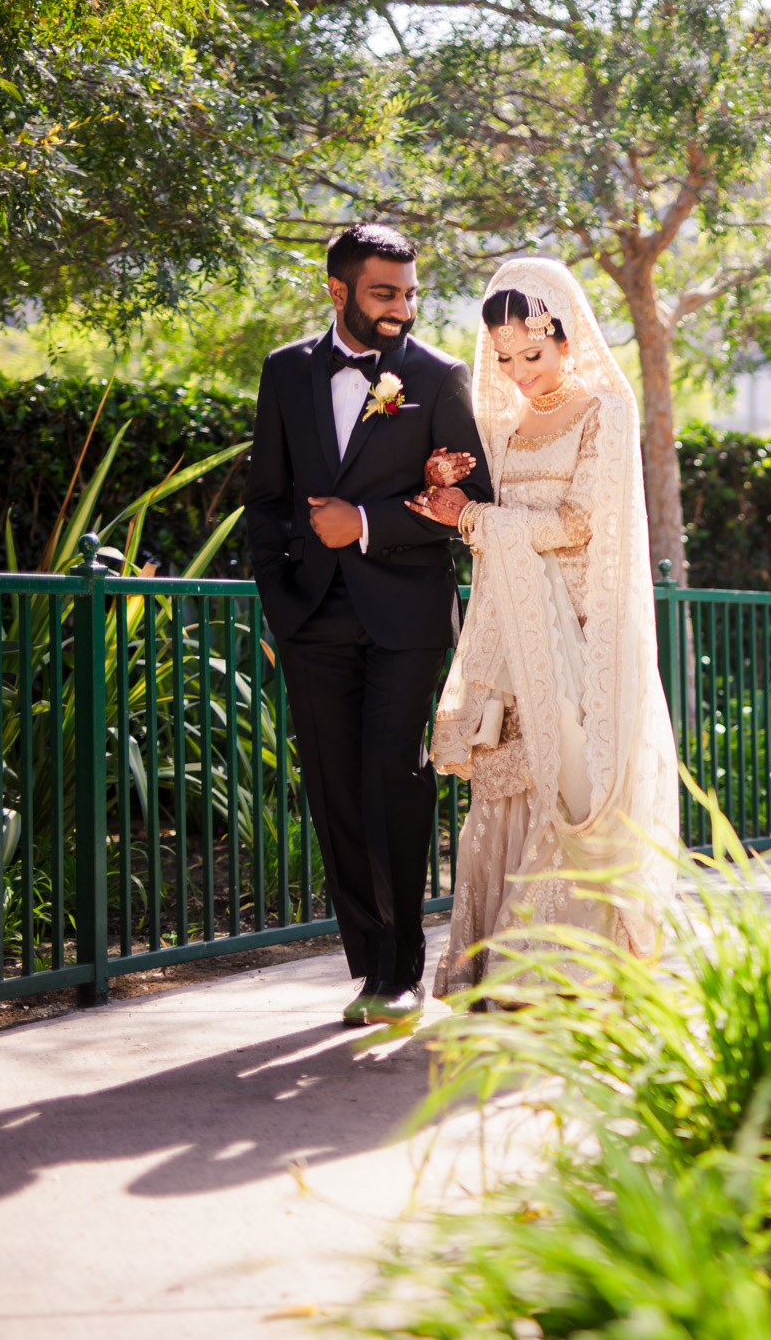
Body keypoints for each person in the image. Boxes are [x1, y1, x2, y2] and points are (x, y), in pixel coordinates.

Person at [244, 223, 494, 1027]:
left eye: (412, 292)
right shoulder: (285, 372)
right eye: (386, 293)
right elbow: (268, 500)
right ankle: (367, 965)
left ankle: (401, 968)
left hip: (407, 615)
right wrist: (282, 601)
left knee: (392, 774)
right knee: (335, 789)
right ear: (338, 290)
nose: (403, 308)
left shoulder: (439, 376)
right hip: (312, 616)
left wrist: (364, 521)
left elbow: (471, 504)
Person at [410, 257, 680, 997]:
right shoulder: (506, 422)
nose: (519, 372)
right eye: (504, 359)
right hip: (512, 632)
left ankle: (560, 970)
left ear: (567, 338)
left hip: (578, 630)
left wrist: (471, 516)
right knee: (508, 785)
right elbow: (490, 521)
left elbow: (576, 524)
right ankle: (497, 964)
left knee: (564, 784)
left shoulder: (604, 412)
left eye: (532, 354)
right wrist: (448, 486)